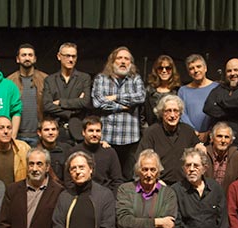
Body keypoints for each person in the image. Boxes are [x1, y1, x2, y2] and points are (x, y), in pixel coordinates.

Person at [92, 46, 146, 180]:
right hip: (107, 138)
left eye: (126, 59)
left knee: (129, 178)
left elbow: (140, 97)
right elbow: (98, 102)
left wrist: (114, 97)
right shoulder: (101, 78)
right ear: (112, 62)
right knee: (107, 177)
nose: (123, 61)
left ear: (131, 63)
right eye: (119, 58)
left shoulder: (136, 79)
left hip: (130, 139)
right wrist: (123, 106)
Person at [136, 95, 202, 184]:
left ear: (180, 113)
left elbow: (198, 157)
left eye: (175, 111)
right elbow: (141, 160)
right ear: (161, 113)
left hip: (184, 185)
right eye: (168, 111)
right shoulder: (151, 132)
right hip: (158, 184)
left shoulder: (188, 131)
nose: (172, 115)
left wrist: (200, 146)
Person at [42, 42, 92, 144]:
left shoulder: (84, 78)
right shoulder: (50, 80)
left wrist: (60, 102)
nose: (71, 59)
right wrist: (71, 112)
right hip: (56, 130)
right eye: (67, 56)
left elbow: (85, 102)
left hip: (78, 129)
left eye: (74, 56)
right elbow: (47, 105)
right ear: (59, 56)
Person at [67, 115, 123, 195]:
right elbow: (68, 180)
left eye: (98, 131)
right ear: (83, 132)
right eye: (91, 131)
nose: (94, 134)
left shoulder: (109, 152)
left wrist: (110, 198)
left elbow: (117, 180)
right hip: (80, 195)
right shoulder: (74, 152)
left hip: (105, 196)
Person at [7, 43, 48, 147]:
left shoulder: (45, 79)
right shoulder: (9, 82)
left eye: (30, 55)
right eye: (24, 55)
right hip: (16, 135)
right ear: (17, 59)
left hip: (39, 134)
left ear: (35, 59)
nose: (27, 58)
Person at [178, 54, 219, 142]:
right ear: (189, 72)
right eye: (191, 68)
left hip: (213, 137)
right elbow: (182, 113)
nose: (195, 70)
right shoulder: (183, 91)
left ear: (205, 68)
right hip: (189, 136)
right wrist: (193, 131)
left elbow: (219, 112)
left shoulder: (217, 88)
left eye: (198, 66)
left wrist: (209, 132)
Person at [204, 122, 238, 193]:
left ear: (231, 141)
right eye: (219, 136)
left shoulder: (237, 157)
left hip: (228, 200)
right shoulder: (203, 154)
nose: (223, 140)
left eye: (226, 137)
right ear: (212, 138)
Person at [142, 55, 181, 128]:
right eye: (160, 68)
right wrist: (146, 132)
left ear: (172, 70)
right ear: (156, 70)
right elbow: (142, 116)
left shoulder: (178, 91)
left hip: (174, 132)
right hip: (153, 132)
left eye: (168, 68)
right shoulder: (149, 91)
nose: (164, 71)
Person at [36, 117, 69, 182]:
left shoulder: (67, 149)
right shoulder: (35, 152)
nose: (50, 132)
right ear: (39, 133)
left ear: (58, 132)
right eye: (46, 130)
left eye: (53, 129)